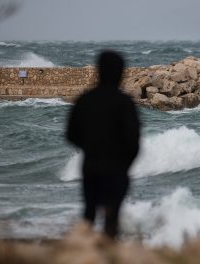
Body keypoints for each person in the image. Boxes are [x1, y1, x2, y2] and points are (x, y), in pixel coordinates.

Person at [66, 50, 140, 239]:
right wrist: (124, 165)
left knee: (89, 212)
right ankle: (109, 250)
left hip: (90, 166)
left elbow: (70, 134)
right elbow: (133, 142)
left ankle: (85, 252)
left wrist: (90, 148)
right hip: (116, 169)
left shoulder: (85, 99)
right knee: (112, 216)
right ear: (120, 72)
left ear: (99, 70)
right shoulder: (125, 103)